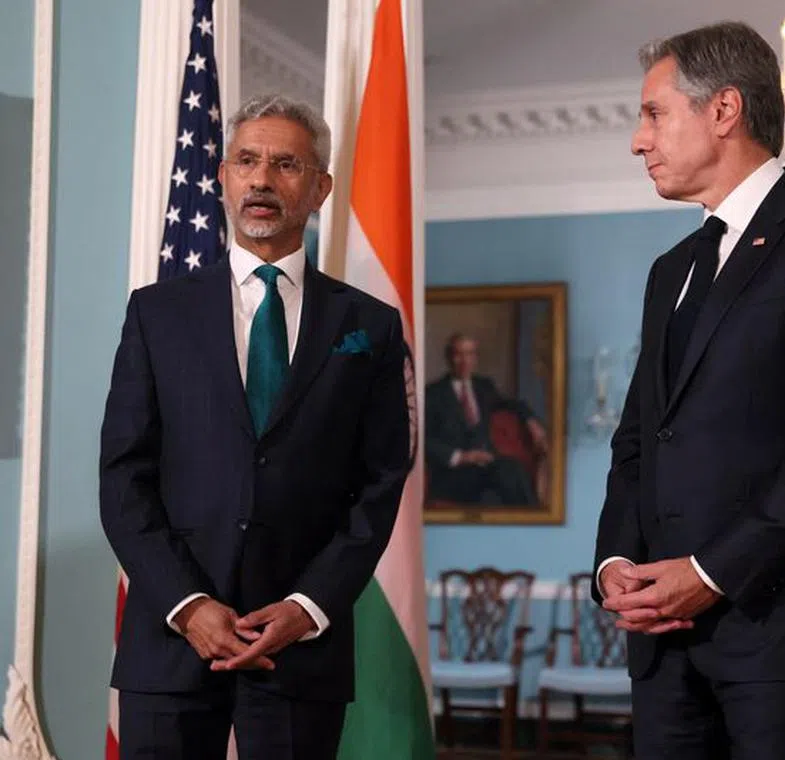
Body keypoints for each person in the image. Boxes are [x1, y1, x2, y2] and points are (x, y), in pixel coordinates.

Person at [592, 21, 785, 759]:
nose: (639, 140)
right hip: (663, 649)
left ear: (723, 110)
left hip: (783, 639)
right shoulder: (672, 267)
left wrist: (711, 573)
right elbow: (639, 436)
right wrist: (614, 565)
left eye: (654, 113)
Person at [99, 93, 411, 760]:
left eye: (286, 164)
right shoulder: (157, 314)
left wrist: (309, 605)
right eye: (247, 161)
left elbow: (382, 482)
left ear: (320, 186)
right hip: (171, 643)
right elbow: (125, 476)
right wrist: (187, 604)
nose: (263, 180)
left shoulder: (370, 327)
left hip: (300, 649)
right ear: (222, 177)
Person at [424, 332, 546, 505]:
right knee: (506, 472)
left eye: (470, 354)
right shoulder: (432, 394)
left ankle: (534, 520)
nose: (465, 360)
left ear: (475, 358)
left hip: (486, 466)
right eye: (459, 354)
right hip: (452, 474)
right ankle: (536, 522)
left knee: (512, 470)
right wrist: (462, 456)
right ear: (449, 357)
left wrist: (531, 422)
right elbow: (422, 441)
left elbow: (512, 404)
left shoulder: (483, 387)